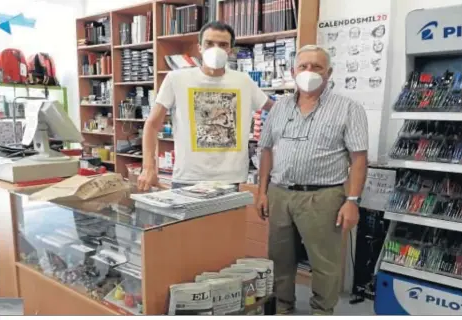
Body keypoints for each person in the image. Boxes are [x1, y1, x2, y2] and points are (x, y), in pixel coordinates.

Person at [256, 45, 368, 315]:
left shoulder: (348, 108)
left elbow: (359, 159)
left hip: (324, 197)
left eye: (316, 67)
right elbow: (267, 150)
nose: (309, 72)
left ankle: (322, 311)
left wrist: (352, 201)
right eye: (303, 66)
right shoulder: (279, 107)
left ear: (328, 73)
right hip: (280, 193)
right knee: (280, 259)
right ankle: (282, 306)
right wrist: (262, 192)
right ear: (293, 71)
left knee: (324, 262)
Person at [137, 21, 274, 191]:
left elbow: (274, 109)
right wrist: (148, 166)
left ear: (230, 50)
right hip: (188, 178)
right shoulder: (176, 79)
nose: (215, 49)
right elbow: (152, 124)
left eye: (223, 45)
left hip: (230, 179)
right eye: (209, 43)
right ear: (199, 47)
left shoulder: (243, 81)